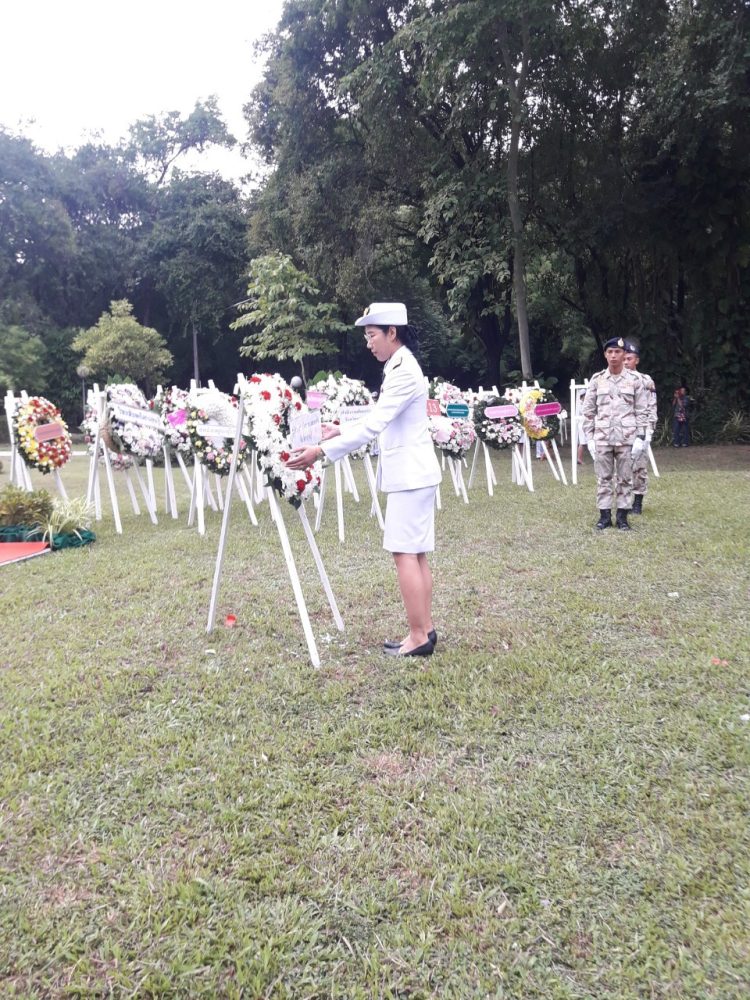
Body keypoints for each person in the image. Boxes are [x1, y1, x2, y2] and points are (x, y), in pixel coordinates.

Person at [286, 302, 442, 657]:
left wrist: (320, 452)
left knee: (405, 553)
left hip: (410, 476)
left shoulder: (402, 370)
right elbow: (379, 415)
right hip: (414, 474)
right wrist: (338, 429)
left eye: (372, 335)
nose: (368, 343)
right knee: (415, 554)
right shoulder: (400, 366)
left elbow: (375, 424)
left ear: (392, 332)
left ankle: (418, 636)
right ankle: (425, 628)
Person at [581, 336, 649, 531]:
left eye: (617, 352)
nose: (613, 356)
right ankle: (604, 516)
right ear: (605, 355)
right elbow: (588, 411)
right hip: (602, 437)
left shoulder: (635, 380)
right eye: (610, 352)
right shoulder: (597, 380)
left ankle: (622, 517)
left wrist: (641, 437)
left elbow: (641, 410)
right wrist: (589, 438)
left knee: (625, 478)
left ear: (624, 354)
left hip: (627, 438)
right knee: (603, 478)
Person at [623, 341, 658, 513]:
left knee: (639, 467)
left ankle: (637, 503)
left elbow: (652, 405)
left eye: (629, 359)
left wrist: (649, 430)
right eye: (624, 358)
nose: (625, 362)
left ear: (636, 360)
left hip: (640, 429)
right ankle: (623, 502)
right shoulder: (617, 380)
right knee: (620, 468)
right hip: (621, 430)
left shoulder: (646, 380)